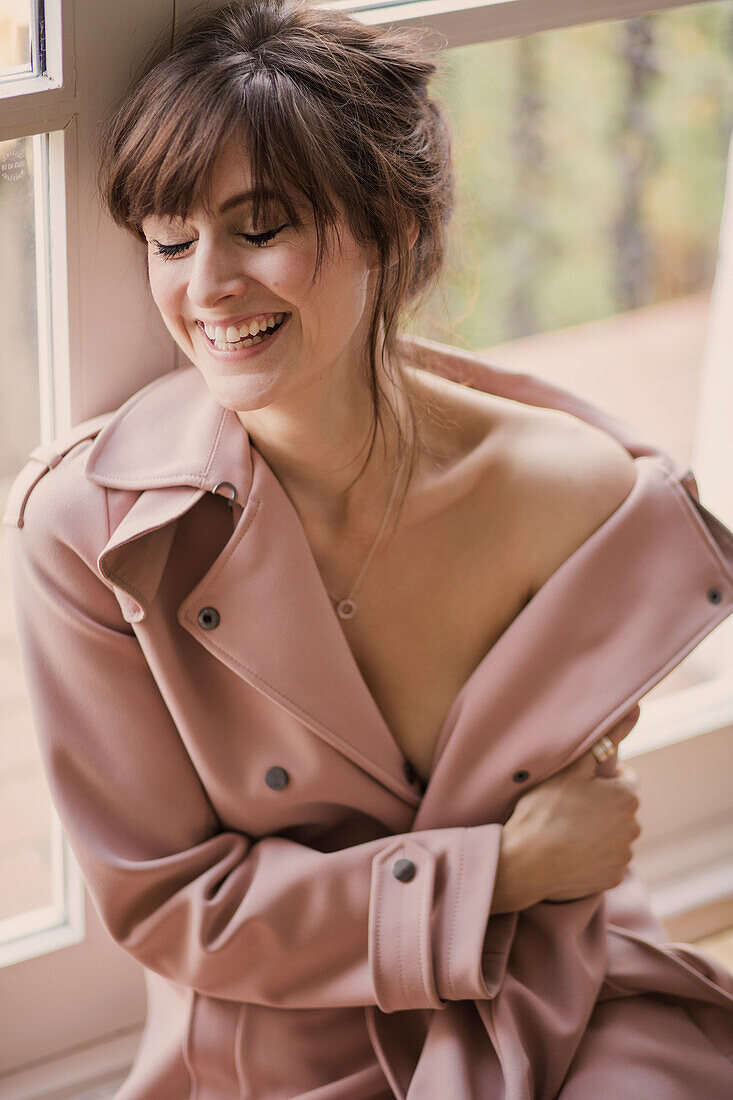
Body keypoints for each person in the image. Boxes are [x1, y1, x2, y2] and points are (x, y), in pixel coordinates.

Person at [4, 1, 733, 1097]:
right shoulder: (92, 533)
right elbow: (170, 906)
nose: (206, 288)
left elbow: (579, 815)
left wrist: (540, 873)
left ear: (388, 226)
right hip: (276, 1052)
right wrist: (500, 869)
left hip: (552, 996)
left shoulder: (575, 498)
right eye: (169, 238)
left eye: (260, 229)